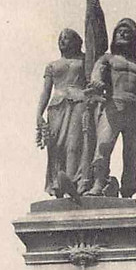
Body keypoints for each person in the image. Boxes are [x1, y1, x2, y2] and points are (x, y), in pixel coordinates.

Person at [86, 18, 136, 199]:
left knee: (132, 156)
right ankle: (98, 183)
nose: (123, 34)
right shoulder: (107, 59)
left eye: (127, 32)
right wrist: (96, 82)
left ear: (134, 38)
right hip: (113, 106)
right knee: (103, 146)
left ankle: (127, 191)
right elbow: (97, 73)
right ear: (114, 36)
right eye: (120, 31)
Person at [36, 29, 92, 198]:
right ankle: (57, 183)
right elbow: (45, 91)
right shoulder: (52, 65)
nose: (63, 41)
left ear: (76, 41)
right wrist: (39, 113)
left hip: (79, 103)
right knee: (56, 146)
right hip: (56, 107)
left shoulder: (85, 61)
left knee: (74, 145)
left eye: (67, 38)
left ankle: (74, 181)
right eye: (61, 38)